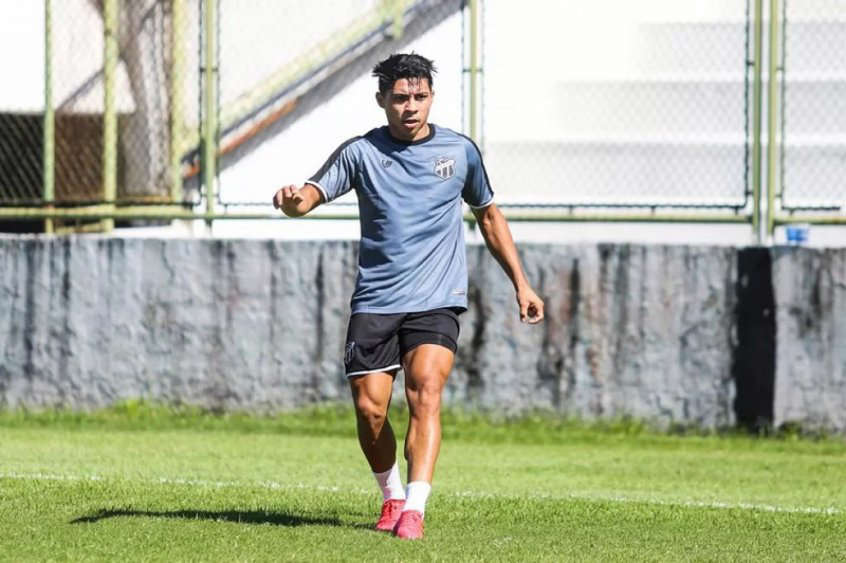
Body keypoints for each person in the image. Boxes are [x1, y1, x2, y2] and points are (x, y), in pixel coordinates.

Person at [273, 53, 544, 540]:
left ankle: (414, 510)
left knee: (426, 391)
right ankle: (392, 495)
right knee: (370, 409)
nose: (411, 107)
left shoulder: (459, 152)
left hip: (437, 297)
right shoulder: (360, 153)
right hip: (376, 300)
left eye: (420, 97)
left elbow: (488, 215)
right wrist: (293, 202)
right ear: (382, 100)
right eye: (400, 98)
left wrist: (521, 283)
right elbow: (309, 196)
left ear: (432, 97)